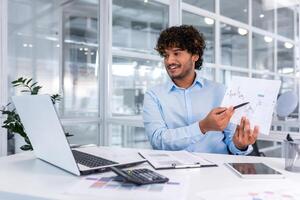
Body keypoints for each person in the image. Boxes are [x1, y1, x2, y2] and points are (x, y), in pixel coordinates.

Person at [142, 25, 259, 155]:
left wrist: (240, 145)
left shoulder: (220, 91)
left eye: (176, 53)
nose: (169, 61)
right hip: (173, 170)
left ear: (195, 56)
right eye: (165, 55)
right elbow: (157, 140)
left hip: (218, 170)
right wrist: (202, 127)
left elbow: (232, 141)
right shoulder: (154, 95)